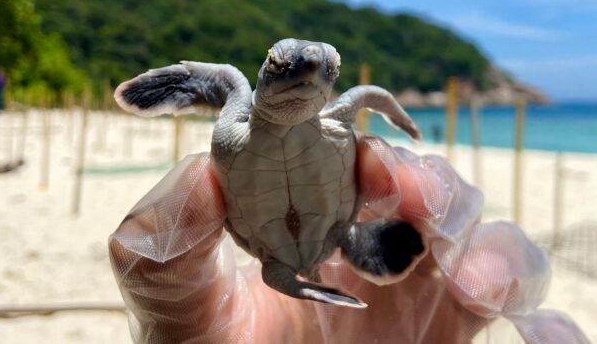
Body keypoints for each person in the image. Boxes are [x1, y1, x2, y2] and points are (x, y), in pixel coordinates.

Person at [109, 135, 589, 343]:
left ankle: (351, 252)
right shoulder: (242, 103)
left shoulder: (338, 119)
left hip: (333, 233)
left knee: (396, 201)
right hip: (278, 253)